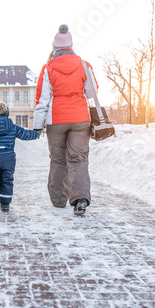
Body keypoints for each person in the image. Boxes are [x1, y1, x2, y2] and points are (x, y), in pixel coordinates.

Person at [33, 24, 98, 216]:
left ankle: (59, 200)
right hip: (80, 119)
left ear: (54, 47)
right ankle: (80, 200)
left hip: (57, 120)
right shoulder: (84, 65)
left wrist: (37, 126)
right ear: (71, 45)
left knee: (58, 160)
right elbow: (91, 92)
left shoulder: (47, 68)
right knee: (78, 159)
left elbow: (42, 100)